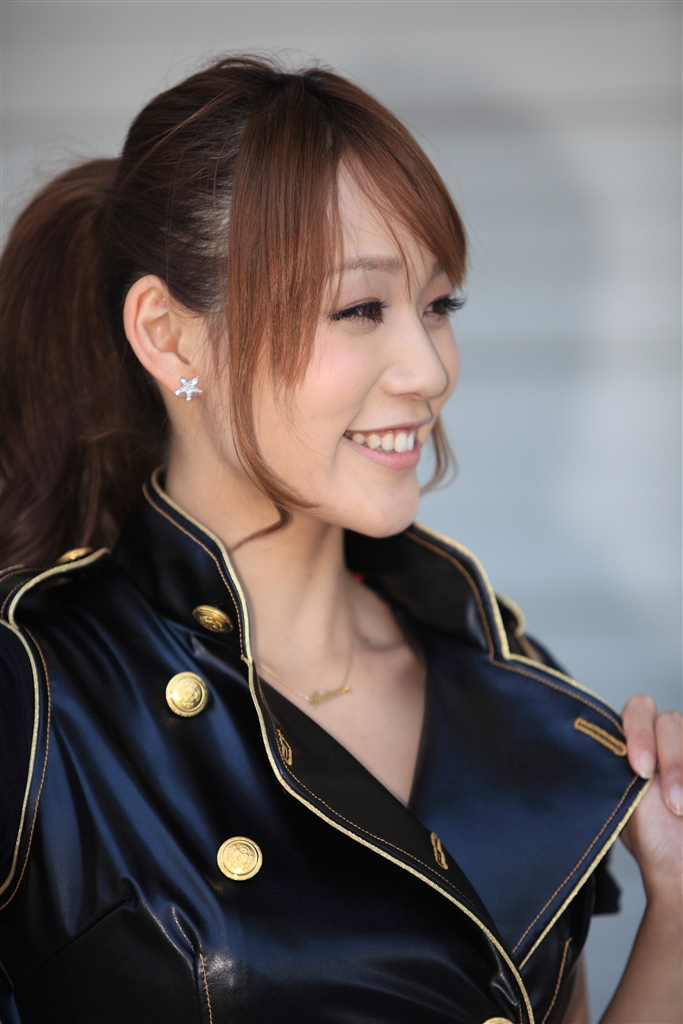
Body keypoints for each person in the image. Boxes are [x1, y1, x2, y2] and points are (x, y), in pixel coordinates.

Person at [0, 55, 680, 1024]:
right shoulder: (38, 692)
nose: (427, 368)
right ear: (171, 336)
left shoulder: (516, 686)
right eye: (360, 308)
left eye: (437, 305)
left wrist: (675, 909)